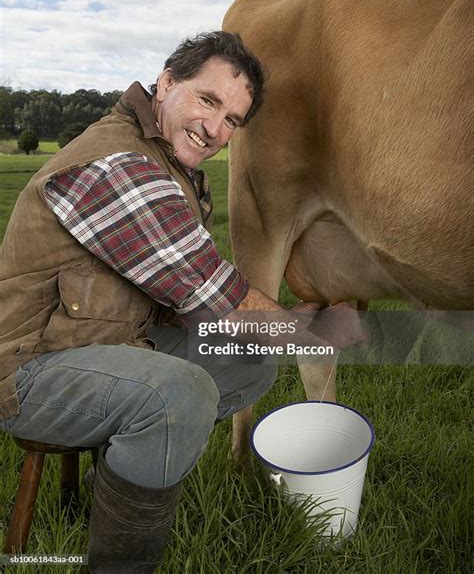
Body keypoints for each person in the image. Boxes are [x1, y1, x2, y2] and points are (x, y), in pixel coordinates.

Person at [0, 31, 364, 572]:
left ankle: (123, 470)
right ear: (166, 82)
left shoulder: (172, 161)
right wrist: (308, 335)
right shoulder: (119, 163)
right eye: (207, 100)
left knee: (245, 358)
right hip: (29, 370)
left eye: (233, 121)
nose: (216, 130)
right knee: (180, 393)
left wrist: (278, 328)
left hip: (106, 341)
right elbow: (214, 294)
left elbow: (185, 293)